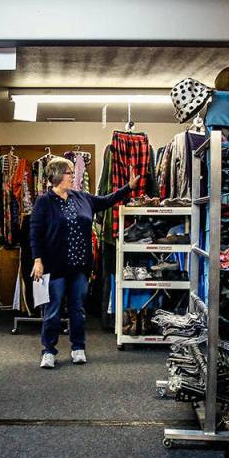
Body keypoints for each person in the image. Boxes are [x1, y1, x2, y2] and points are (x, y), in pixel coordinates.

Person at [30, 157, 140, 368]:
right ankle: (48, 351)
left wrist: (129, 187)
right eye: (70, 172)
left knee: (78, 309)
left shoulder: (82, 198)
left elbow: (107, 200)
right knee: (52, 310)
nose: (73, 175)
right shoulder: (44, 202)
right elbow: (35, 233)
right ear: (57, 175)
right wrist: (37, 260)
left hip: (80, 267)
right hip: (54, 266)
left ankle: (78, 347)